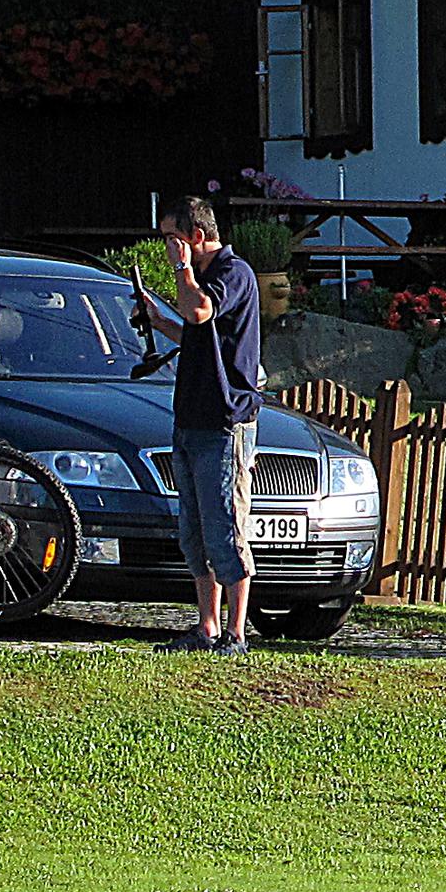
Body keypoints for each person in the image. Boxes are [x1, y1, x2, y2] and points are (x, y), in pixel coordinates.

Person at [138, 198, 265, 652]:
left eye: (171, 237)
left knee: (224, 524)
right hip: (190, 417)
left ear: (194, 236)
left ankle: (236, 632)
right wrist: (158, 321)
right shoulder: (203, 278)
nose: (167, 247)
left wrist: (181, 270)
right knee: (193, 530)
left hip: (224, 418)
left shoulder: (233, 272)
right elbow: (195, 333)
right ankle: (206, 625)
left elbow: (198, 312)